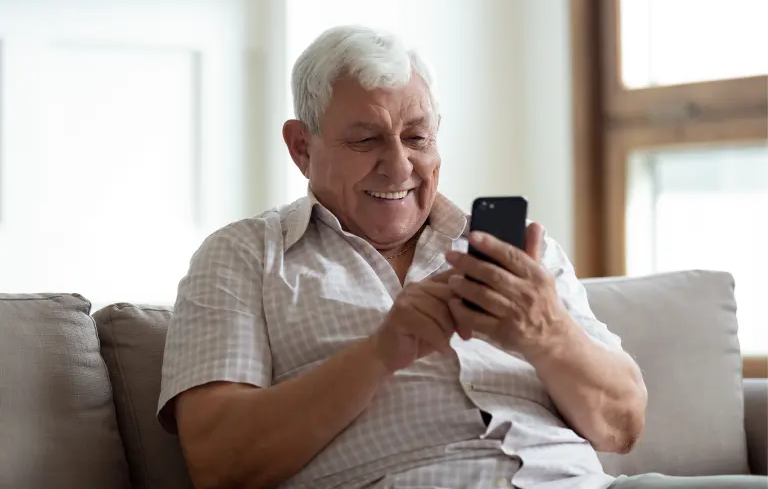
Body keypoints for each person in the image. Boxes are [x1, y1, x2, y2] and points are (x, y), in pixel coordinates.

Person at [157, 25, 766, 489]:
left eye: (417, 137)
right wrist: (377, 355)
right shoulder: (244, 256)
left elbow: (622, 425)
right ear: (301, 147)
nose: (399, 166)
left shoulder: (517, 249)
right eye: (366, 139)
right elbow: (219, 461)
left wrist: (546, 333)